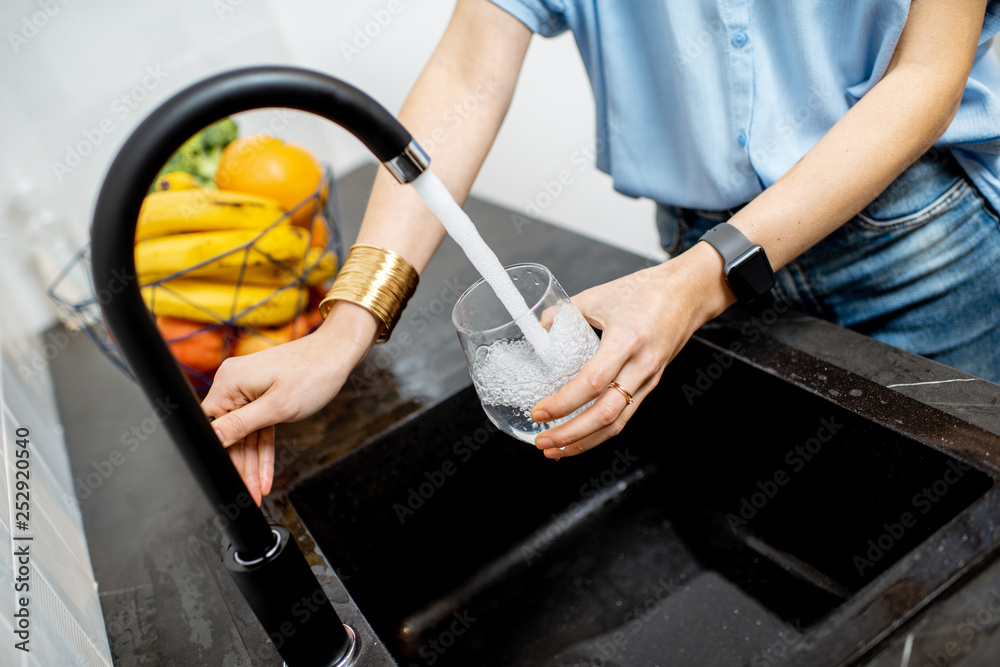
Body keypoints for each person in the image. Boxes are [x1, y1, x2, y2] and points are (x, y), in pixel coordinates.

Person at [202, 0, 1000, 505]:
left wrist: (704, 277)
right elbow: (468, 68)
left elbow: (927, 73)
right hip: (694, 259)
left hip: (916, 243)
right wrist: (344, 329)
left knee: (965, 543)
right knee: (806, 518)